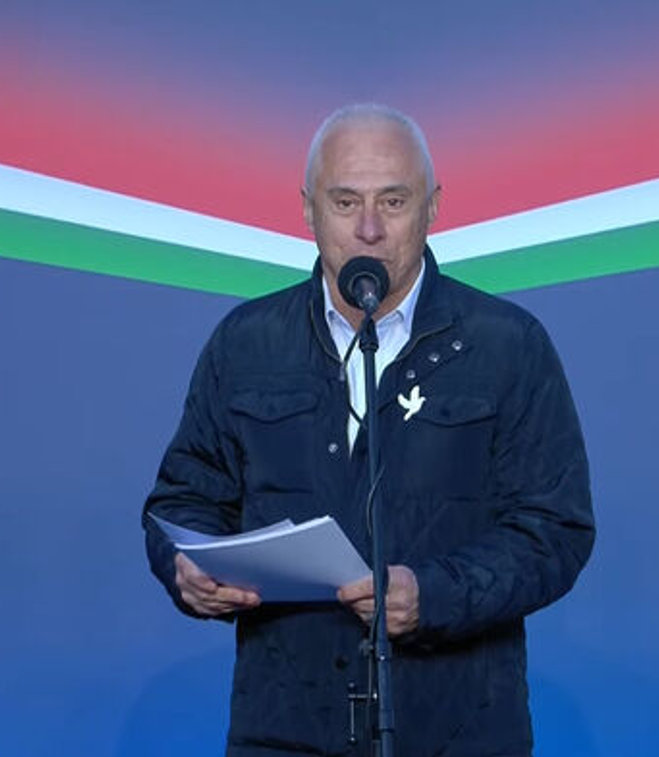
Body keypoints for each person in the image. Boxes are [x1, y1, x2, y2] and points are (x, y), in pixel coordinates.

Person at [143, 103, 594, 757]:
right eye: (345, 201)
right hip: (284, 731)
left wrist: (433, 595)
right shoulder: (245, 343)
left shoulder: (508, 345)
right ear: (308, 210)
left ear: (432, 207)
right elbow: (182, 501)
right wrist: (186, 570)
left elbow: (555, 530)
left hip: (459, 735)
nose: (369, 228)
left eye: (394, 201)